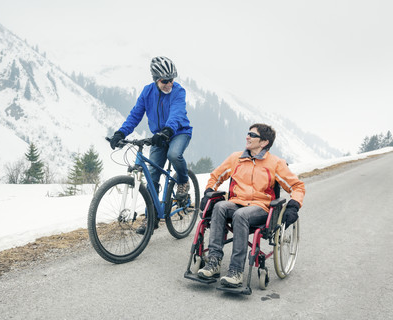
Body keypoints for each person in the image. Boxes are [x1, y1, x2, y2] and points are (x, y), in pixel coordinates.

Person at [197, 123, 305, 288]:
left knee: (241, 215)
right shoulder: (236, 158)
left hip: (260, 208)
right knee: (219, 207)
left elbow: (297, 187)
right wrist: (209, 192)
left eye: (252, 135)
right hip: (236, 202)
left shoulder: (275, 163)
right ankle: (214, 262)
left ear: (264, 142)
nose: (247, 137)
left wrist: (293, 205)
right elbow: (215, 176)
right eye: (248, 134)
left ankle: (236, 271)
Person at [109, 56, 193, 234]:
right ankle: (151, 218)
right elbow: (135, 115)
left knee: (173, 155)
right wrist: (121, 133)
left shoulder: (179, 91)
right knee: (152, 175)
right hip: (159, 136)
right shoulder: (147, 93)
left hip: (179, 132)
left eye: (171, 79)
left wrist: (167, 130)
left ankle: (184, 181)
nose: (169, 84)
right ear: (155, 79)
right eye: (164, 81)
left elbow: (177, 113)